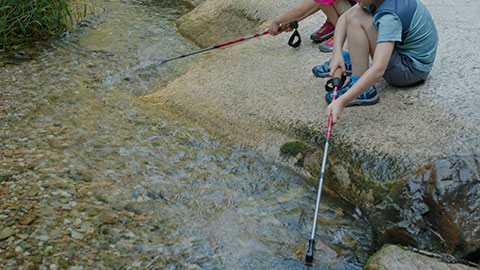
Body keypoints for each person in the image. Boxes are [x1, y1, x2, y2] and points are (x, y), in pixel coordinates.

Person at [325, 0, 438, 124]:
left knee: (358, 19)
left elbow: (379, 69)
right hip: (411, 61)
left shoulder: (389, 17)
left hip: (409, 72)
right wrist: (337, 54)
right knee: (355, 14)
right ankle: (352, 69)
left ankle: (363, 90)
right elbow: (344, 18)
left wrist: (342, 102)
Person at [268, 0, 355, 53]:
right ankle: (334, 21)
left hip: (361, 14)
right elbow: (315, 4)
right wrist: (292, 21)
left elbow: (301, 10)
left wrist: (277, 21)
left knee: (323, 1)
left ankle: (344, 34)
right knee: (323, 1)